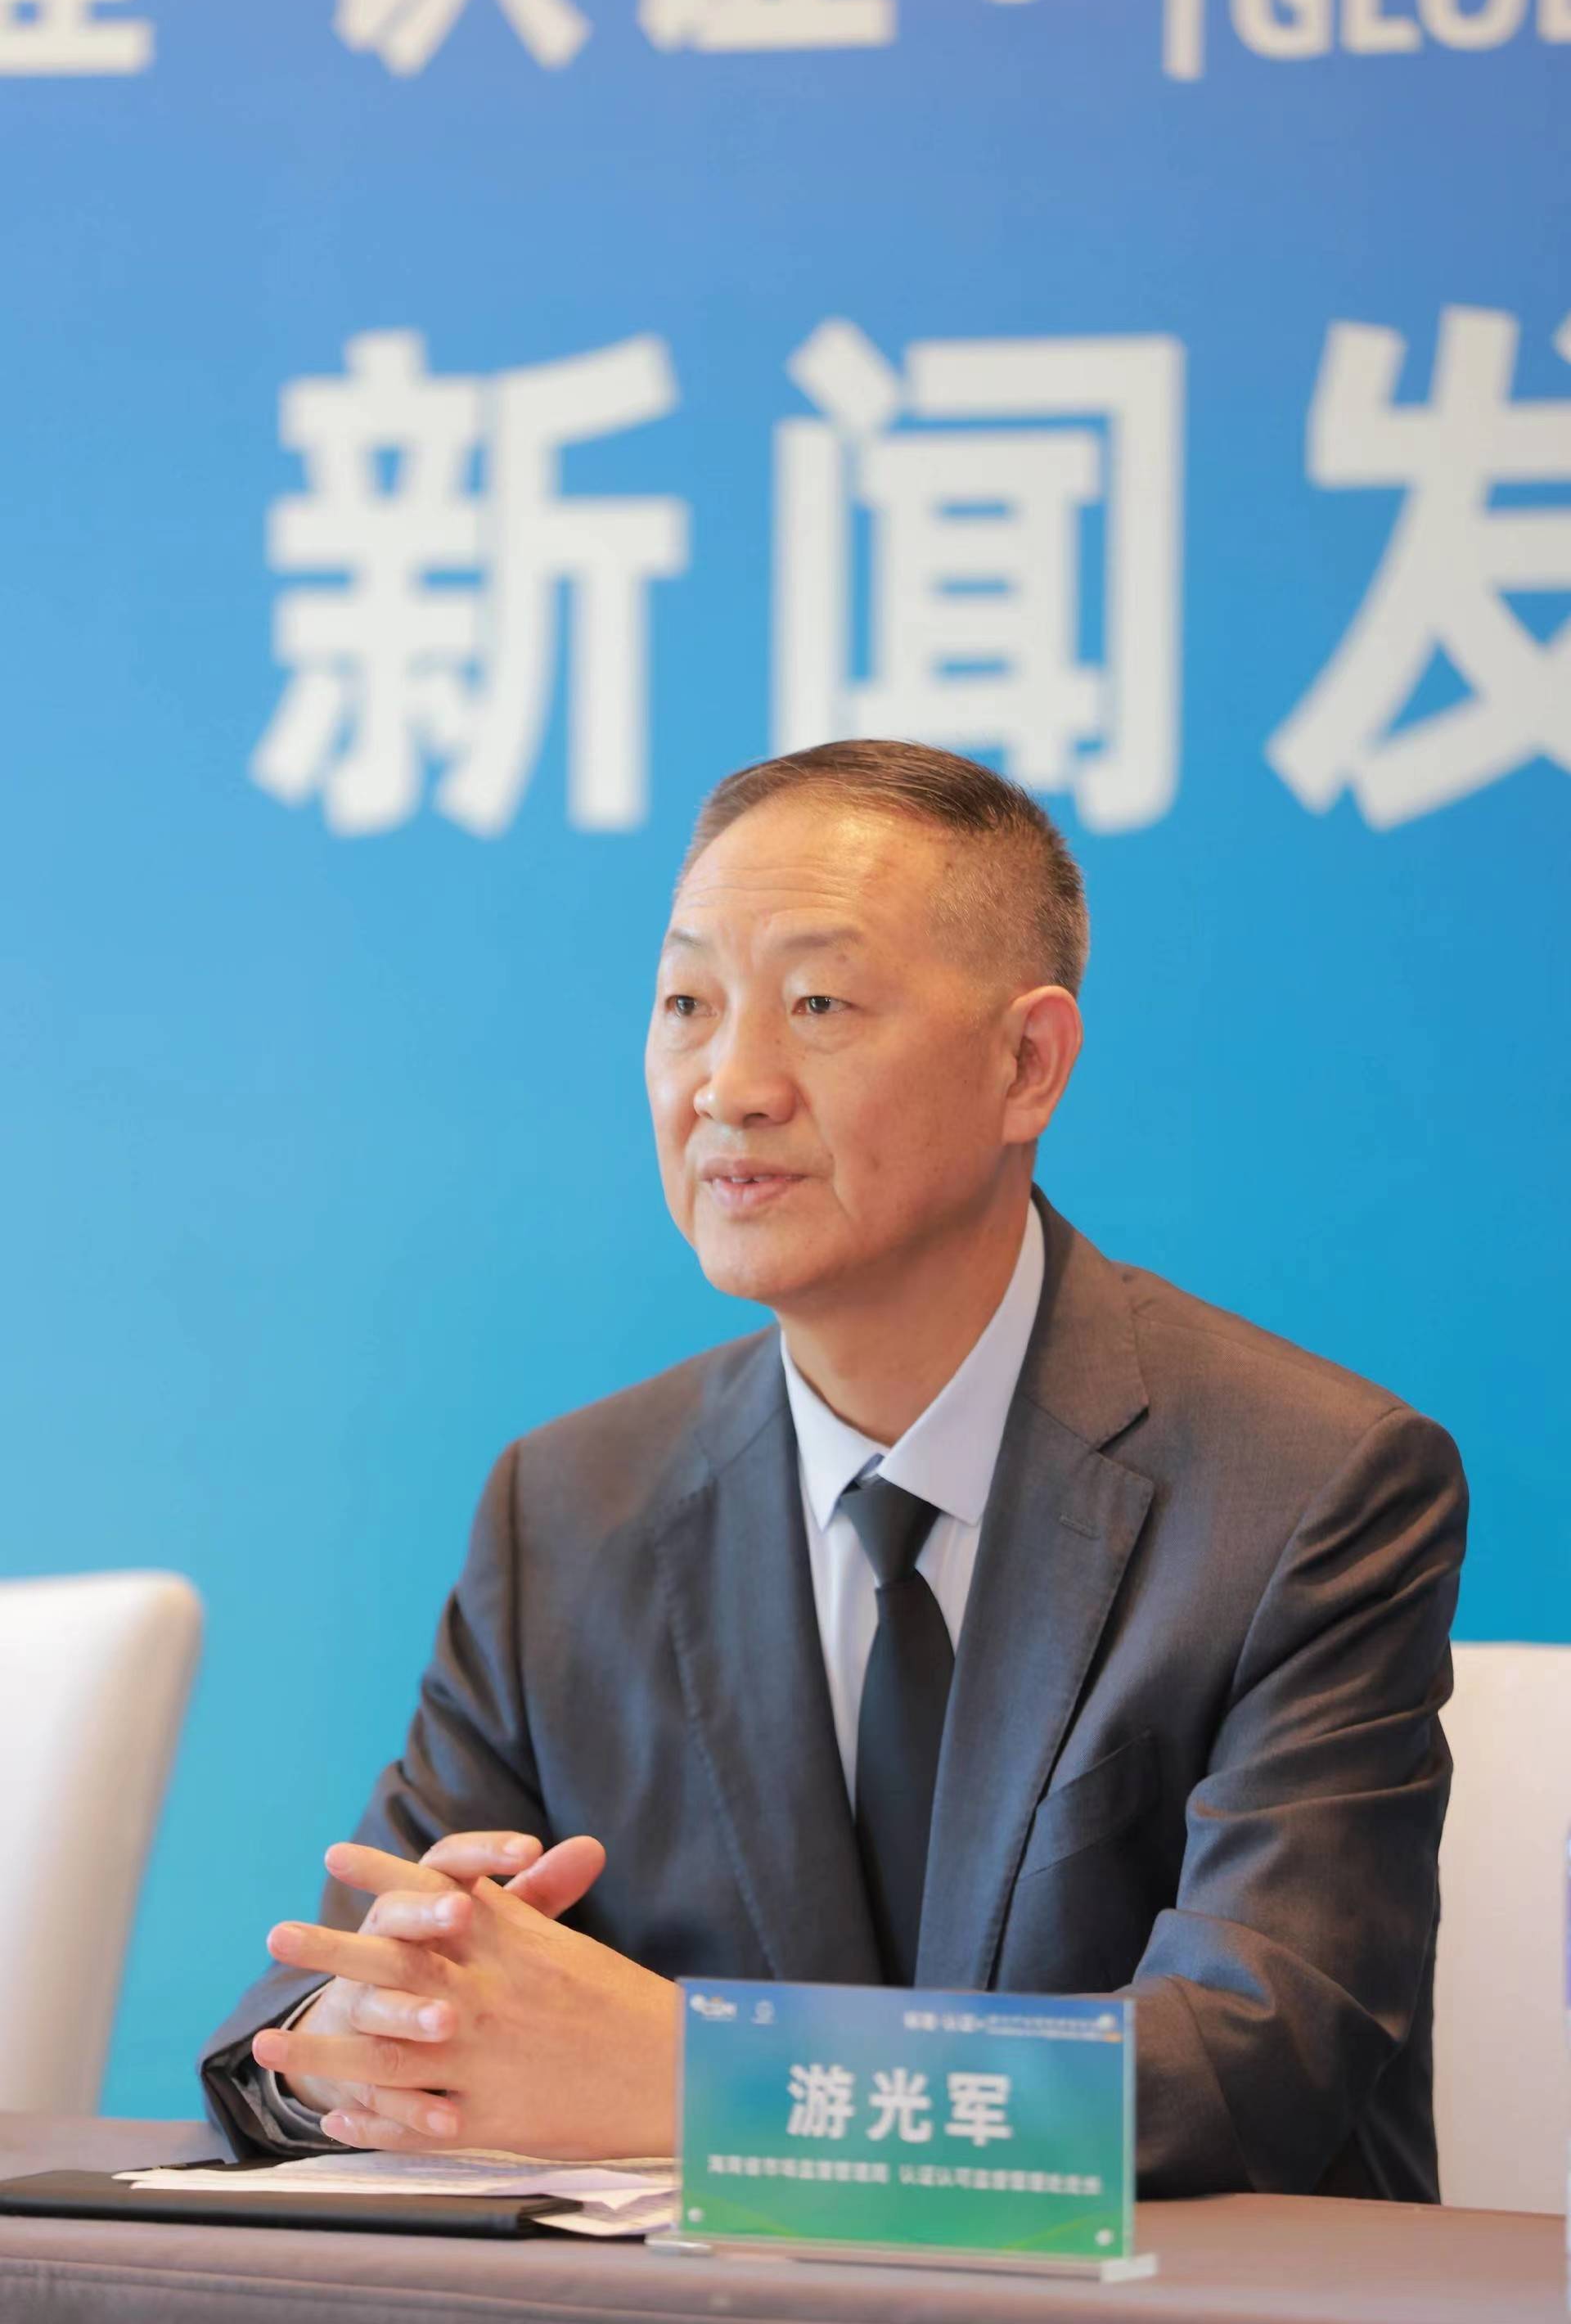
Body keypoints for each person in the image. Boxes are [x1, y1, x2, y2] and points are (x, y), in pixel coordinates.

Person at [200, 739, 1465, 2199]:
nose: (729, 1086)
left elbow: (1254, 2067)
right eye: (687, 1005)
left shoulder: (1308, 1489)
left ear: (1026, 1064)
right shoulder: (570, 1507)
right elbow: (309, 2017)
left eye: (818, 1005)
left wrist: (700, 2081)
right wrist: (370, 2035)